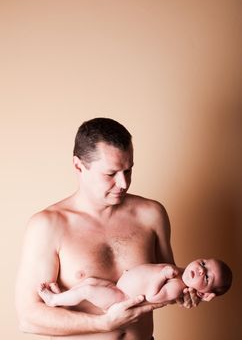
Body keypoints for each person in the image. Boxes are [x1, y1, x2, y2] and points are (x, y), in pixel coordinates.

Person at [15, 117, 200, 340]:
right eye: (110, 174)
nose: (123, 183)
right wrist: (103, 324)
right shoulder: (49, 226)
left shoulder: (151, 214)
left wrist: (192, 288)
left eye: (128, 171)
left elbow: (169, 279)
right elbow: (28, 317)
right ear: (78, 166)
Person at [37, 258, 232, 310]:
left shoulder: (176, 287)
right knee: (89, 282)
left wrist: (162, 276)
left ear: (205, 293)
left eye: (206, 278)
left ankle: (54, 300)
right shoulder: (181, 272)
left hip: (121, 298)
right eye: (204, 263)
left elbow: (153, 297)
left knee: (88, 290)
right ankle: (63, 296)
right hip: (119, 286)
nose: (200, 270)